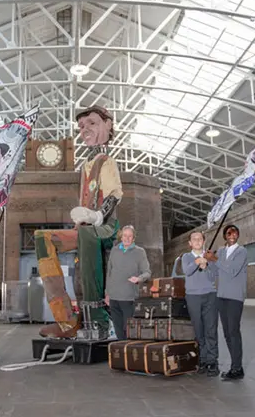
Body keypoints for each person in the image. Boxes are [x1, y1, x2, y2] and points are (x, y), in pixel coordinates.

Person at [34, 105, 122, 338]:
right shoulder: (86, 166)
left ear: (108, 125)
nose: (85, 130)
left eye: (92, 123)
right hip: (86, 229)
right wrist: (80, 219)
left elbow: (114, 194)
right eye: (82, 126)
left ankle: (99, 322)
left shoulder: (107, 161)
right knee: (44, 239)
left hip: (106, 226)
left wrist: (96, 215)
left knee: (87, 236)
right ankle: (67, 321)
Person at [209, 224, 247, 381]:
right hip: (221, 295)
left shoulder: (241, 251)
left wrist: (215, 259)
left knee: (233, 331)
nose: (232, 235)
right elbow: (215, 272)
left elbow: (232, 271)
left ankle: (237, 367)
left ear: (238, 235)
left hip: (235, 296)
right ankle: (235, 365)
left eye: (235, 232)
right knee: (226, 332)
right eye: (228, 233)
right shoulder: (221, 251)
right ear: (224, 235)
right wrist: (209, 261)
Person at [180, 231, 219, 377]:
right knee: (199, 330)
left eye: (200, 239)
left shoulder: (209, 257)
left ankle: (212, 361)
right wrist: (197, 262)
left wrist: (206, 266)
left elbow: (214, 276)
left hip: (209, 296)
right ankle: (202, 360)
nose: (197, 241)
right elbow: (187, 271)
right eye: (194, 239)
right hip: (193, 297)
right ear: (190, 243)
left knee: (211, 329)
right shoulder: (186, 257)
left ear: (203, 241)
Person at [104, 225, 151, 339]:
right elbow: (109, 273)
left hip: (129, 298)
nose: (127, 238)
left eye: (130, 236)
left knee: (129, 332)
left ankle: (130, 354)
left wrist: (139, 279)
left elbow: (147, 272)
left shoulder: (140, 252)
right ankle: (121, 354)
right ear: (121, 236)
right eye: (125, 235)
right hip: (113, 297)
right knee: (118, 331)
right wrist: (107, 293)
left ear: (133, 238)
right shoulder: (114, 250)